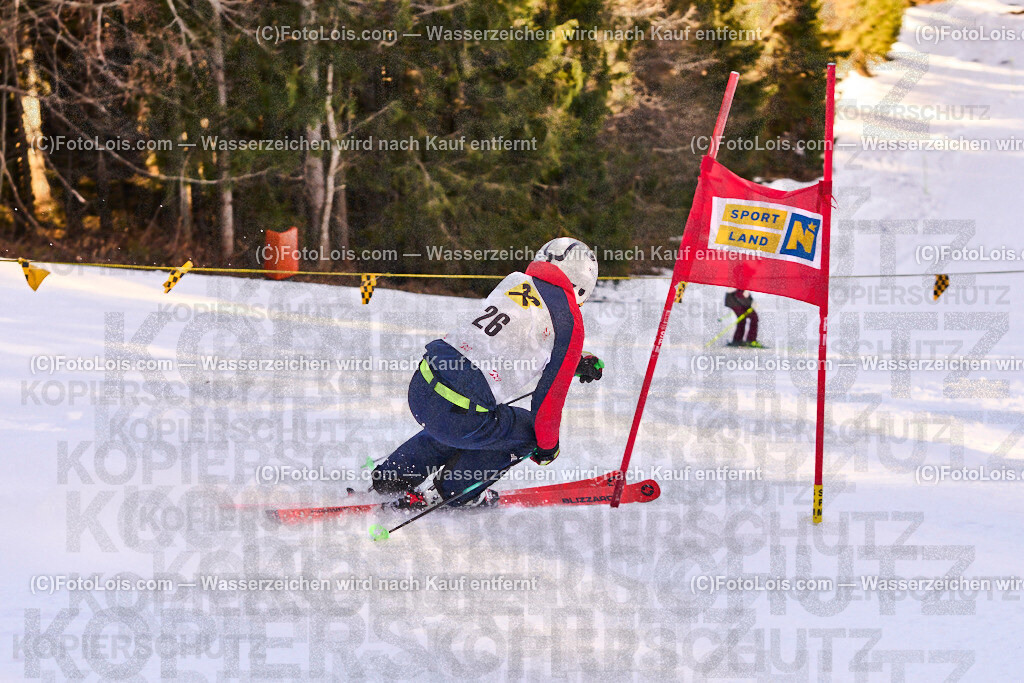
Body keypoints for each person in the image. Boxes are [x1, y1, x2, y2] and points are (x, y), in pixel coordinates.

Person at [372, 237, 604, 509]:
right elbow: (549, 400)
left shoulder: (515, 280)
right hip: (458, 414)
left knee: (461, 408)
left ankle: (393, 476)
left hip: (421, 387)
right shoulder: (570, 321)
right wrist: (547, 447)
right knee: (526, 431)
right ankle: (452, 492)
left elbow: (512, 337)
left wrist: (573, 359)